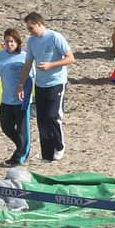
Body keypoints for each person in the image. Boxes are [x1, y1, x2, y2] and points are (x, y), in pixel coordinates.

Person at [18, 11, 73, 163]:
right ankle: (47, 155)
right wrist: (21, 84)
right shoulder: (32, 41)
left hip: (57, 82)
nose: (29, 31)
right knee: (41, 120)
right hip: (40, 84)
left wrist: (51, 65)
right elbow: (28, 63)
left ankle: (59, 146)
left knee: (53, 116)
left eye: (31, 27)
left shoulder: (55, 37)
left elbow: (70, 58)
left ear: (40, 24)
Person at [0, 27, 32, 164]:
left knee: (23, 131)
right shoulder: (1, 56)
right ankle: (21, 147)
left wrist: (25, 94)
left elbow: (30, 78)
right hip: (6, 100)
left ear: (17, 42)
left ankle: (20, 156)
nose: (9, 44)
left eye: (12, 41)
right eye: (7, 41)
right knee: (6, 127)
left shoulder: (25, 56)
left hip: (22, 101)